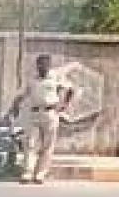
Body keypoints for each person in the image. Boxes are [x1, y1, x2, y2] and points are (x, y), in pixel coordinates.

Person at [6, 54, 74, 184]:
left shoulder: (56, 77)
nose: (42, 67)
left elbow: (70, 89)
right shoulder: (32, 79)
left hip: (50, 113)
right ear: (37, 66)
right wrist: (14, 108)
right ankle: (27, 173)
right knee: (29, 143)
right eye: (40, 65)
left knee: (47, 145)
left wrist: (64, 105)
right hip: (35, 113)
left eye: (45, 65)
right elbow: (21, 95)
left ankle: (40, 174)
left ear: (49, 65)